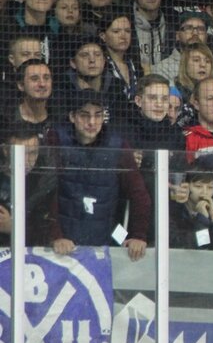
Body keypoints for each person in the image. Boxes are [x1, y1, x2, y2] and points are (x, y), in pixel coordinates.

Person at [49, 91, 150, 260]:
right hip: (63, 245)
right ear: (72, 117)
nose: (92, 122)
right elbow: (47, 192)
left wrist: (138, 235)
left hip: (105, 241)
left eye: (98, 115)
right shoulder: (56, 139)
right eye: (84, 115)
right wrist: (55, 235)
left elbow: (139, 194)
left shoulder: (117, 145)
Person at [167, 167, 213, 250]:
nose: (204, 192)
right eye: (198, 186)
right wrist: (202, 220)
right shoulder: (174, 211)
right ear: (186, 187)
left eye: (210, 187)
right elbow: (187, 245)